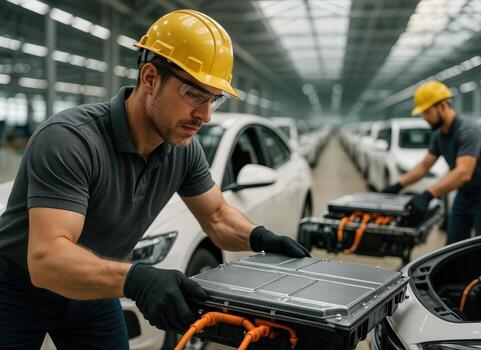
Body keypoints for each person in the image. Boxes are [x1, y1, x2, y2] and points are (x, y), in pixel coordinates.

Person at [0, 10, 309, 350]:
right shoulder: (70, 139)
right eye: (194, 94)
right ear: (149, 78)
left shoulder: (183, 150)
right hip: (16, 290)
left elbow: (218, 217)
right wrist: (137, 278)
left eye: (213, 100)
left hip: (94, 291)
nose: (204, 115)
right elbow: (46, 260)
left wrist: (263, 239)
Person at [382, 81, 481, 244]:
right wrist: (398, 185)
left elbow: (463, 173)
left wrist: (427, 195)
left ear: (443, 106)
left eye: (427, 112)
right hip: (464, 194)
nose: (424, 118)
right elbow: (424, 166)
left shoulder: (468, 131)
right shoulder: (439, 136)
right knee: (453, 246)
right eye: (423, 113)